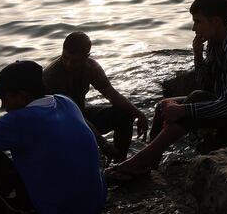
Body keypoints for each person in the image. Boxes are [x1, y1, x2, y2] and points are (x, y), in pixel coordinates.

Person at [105, 0, 227, 182]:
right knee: (164, 106)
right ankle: (149, 165)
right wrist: (198, 57)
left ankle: (139, 162)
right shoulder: (216, 45)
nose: (194, 28)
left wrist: (185, 109)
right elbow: (208, 85)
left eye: (198, 22)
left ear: (216, 21)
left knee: (193, 100)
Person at [0, 60, 106, 214]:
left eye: (5, 98)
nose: (3, 106)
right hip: (95, 207)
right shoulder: (65, 102)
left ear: (23, 96)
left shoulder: (18, 121)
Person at [43, 32, 148, 162]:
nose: (69, 64)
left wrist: (139, 114)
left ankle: (120, 164)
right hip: (60, 124)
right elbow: (71, 114)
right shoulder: (52, 76)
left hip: (80, 113)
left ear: (86, 57)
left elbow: (112, 94)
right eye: (65, 58)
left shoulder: (91, 67)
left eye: (75, 61)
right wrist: (103, 143)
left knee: (124, 115)